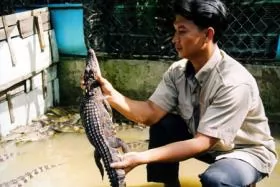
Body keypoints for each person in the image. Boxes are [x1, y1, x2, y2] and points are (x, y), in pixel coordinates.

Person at [85, 0, 278, 186]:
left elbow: (203, 142)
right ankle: (169, 185)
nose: (174, 39)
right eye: (175, 31)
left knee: (218, 179)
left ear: (207, 34)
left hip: (243, 151)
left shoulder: (233, 82)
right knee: (163, 124)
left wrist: (140, 157)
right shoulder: (178, 71)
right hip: (204, 140)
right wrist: (108, 94)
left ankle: (243, 181)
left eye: (182, 32)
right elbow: (149, 113)